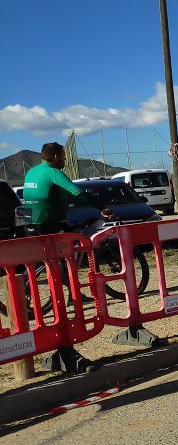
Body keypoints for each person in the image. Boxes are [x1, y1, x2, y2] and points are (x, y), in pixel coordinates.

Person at [20, 142, 100, 373]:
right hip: (49, 224)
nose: (65, 159)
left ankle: (67, 290)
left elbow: (50, 194)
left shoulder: (33, 171)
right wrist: (100, 206)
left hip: (32, 223)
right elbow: (76, 191)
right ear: (55, 156)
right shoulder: (54, 171)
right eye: (63, 156)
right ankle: (68, 292)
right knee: (66, 254)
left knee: (50, 262)